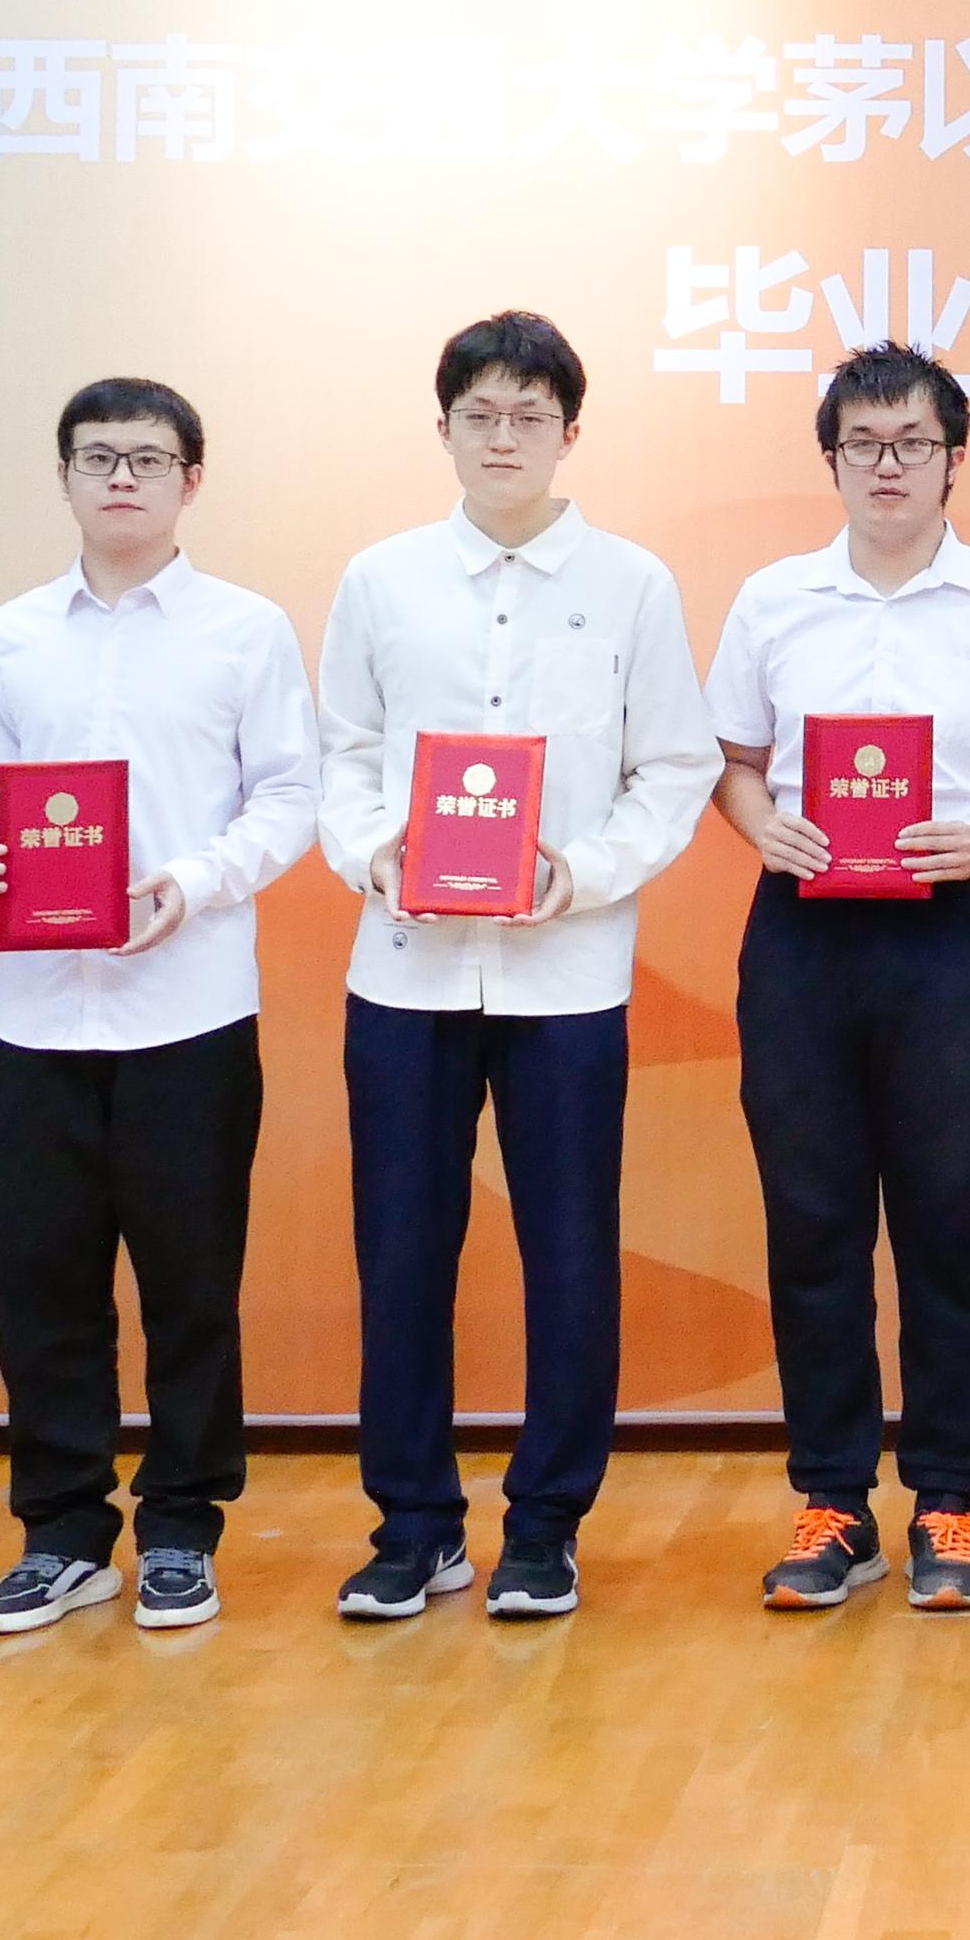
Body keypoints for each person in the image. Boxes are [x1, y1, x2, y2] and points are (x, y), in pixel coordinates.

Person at [314, 312, 713, 1625]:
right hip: (408, 972)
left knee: (572, 1254)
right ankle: (413, 1526)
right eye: (479, 416)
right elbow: (344, 754)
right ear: (442, 429)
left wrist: (581, 871)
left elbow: (677, 764)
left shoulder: (633, 584)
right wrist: (376, 852)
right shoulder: (381, 579)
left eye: (529, 417)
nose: (503, 439)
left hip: (568, 977)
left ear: (569, 432)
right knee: (401, 1256)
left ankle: (546, 1525)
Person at [704, 342, 970, 1614]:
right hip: (803, 928)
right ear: (831, 458)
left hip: (947, 924)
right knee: (812, 1217)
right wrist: (762, 824)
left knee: (946, 1215)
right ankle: (832, 1498)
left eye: (912, 442)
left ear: (953, 458)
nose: (888, 465)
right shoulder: (773, 598)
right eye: (863, 443)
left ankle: (946, 1498)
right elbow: (731, 760)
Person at [0, 380, 316, 1636]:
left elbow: (290, 795)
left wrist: (194, 881)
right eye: (98, 457)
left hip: (189, 1007)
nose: (121, 478)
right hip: (36, 1011)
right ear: (63, 474)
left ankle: (180, 1526)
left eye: (148, 459)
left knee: (190, 1282)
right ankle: (62, 1532)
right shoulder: (11, 634)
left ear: (189, 481)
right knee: (41, 1283)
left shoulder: (246, 629)